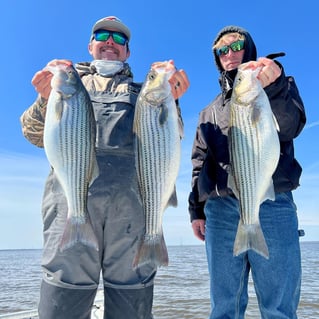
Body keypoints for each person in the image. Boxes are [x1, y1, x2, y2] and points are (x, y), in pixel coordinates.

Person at [20, 16, 189, 319]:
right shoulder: (65, 88)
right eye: (102, 35)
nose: (110, 42)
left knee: (130, 306)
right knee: (63, 301)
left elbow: (168, 144)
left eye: (120, 39)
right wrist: (45, 100)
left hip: (132, 214)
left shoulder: (144, 94)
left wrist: (171, 102)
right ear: (90, 45)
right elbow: (34, 135)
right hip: (70, 205)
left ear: (127, 53)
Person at [188, 25, 306, 318]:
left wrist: (276, 86)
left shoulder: (277, 88)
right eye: (221, 50)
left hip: (273, 202)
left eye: (236, 44)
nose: (229, 53)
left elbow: (292, 125)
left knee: (278, 306)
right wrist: (196, 211)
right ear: (217, 59)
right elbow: (199, 162)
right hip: (220, 211)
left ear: (249, 48)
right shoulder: (208, 111)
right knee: (224, 305)